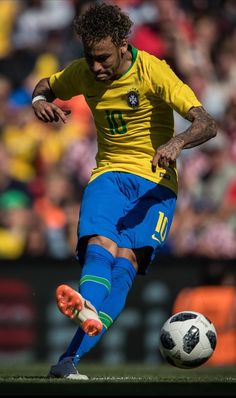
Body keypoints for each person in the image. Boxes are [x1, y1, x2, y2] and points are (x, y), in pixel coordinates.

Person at [31, 2, 217, 379]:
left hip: (157, 184)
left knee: (126, 267)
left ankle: (67, 362)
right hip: (110, 175)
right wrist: (38, 101)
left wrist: (177, 143)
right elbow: (47, 86)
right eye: (89, 58)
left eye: (102, 58)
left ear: (121, 45)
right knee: (101, 245)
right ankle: (88, 311)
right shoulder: (83, 72)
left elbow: (207, 123)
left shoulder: (154, 71)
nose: (96, 67)